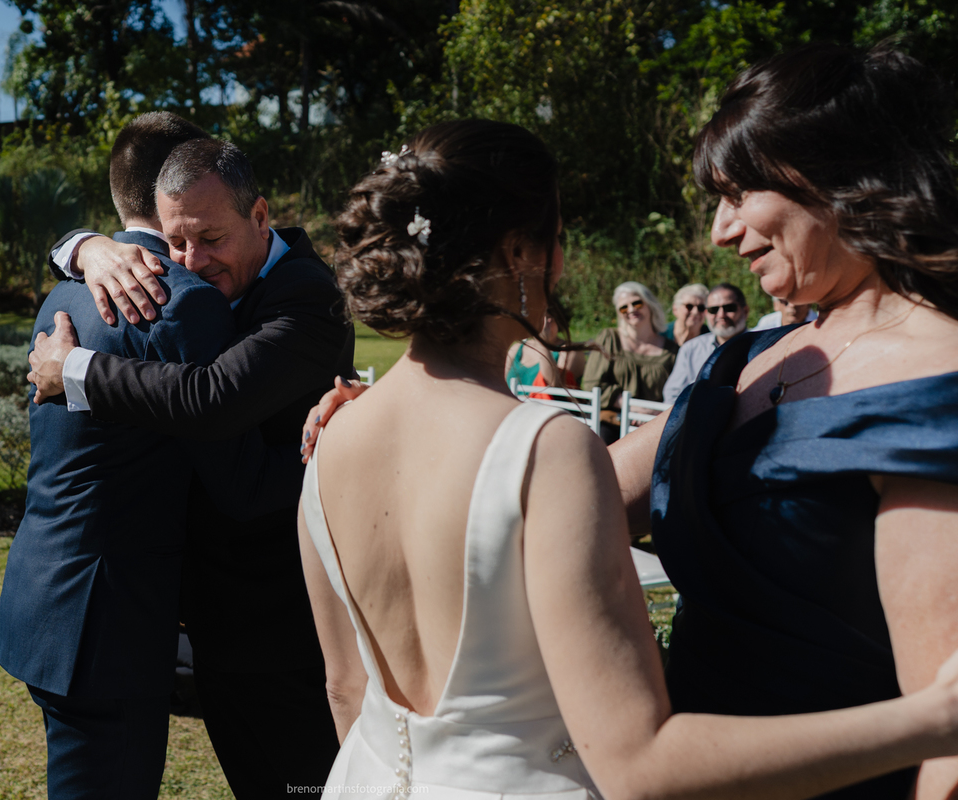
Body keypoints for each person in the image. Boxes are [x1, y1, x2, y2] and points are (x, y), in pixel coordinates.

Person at [296, 118, 958, 800]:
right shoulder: (546, 450)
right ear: (521, 251)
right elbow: (638, 767)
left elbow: (345, 689)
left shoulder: (331, 439)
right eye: (558, 240)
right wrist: (933, 720)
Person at [609, 43, 958, 799]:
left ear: (836, 173)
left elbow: (949, 741)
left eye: (739, 194)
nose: (719, 233)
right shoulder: (747, 358)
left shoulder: (937, 383)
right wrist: (421, 413)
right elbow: (578, 491)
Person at [0, 113, 304, 799]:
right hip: (108, 623)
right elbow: (241, 479)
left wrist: (81, 246)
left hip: (47, 594)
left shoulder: (67, 289)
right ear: (172, 185)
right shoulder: (181, 302)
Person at [582, 281, 677, 439]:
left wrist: (652, 412)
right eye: (624, 307)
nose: (631, 310)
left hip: (653, 424)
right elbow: (592, 383)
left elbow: (677, 392)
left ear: (650, 305)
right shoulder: (609, 339)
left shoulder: (671, 351)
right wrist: (632, 407)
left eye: (637, 303)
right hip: (612, 421)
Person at [660, 282, 748, 403]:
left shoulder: (763, 345)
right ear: (707, 314)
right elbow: (672, 394)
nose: (721, 315)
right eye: (714, 309)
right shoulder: (691, 349)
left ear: (745, 311)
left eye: (729, 308)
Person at [504, 313, 587, 394]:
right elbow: (500, 382)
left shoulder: (570, 351)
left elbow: (556, 388)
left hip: (549, 407)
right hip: (513, 405)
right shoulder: (516, 348)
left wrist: (542, 342)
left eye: (548, 317)